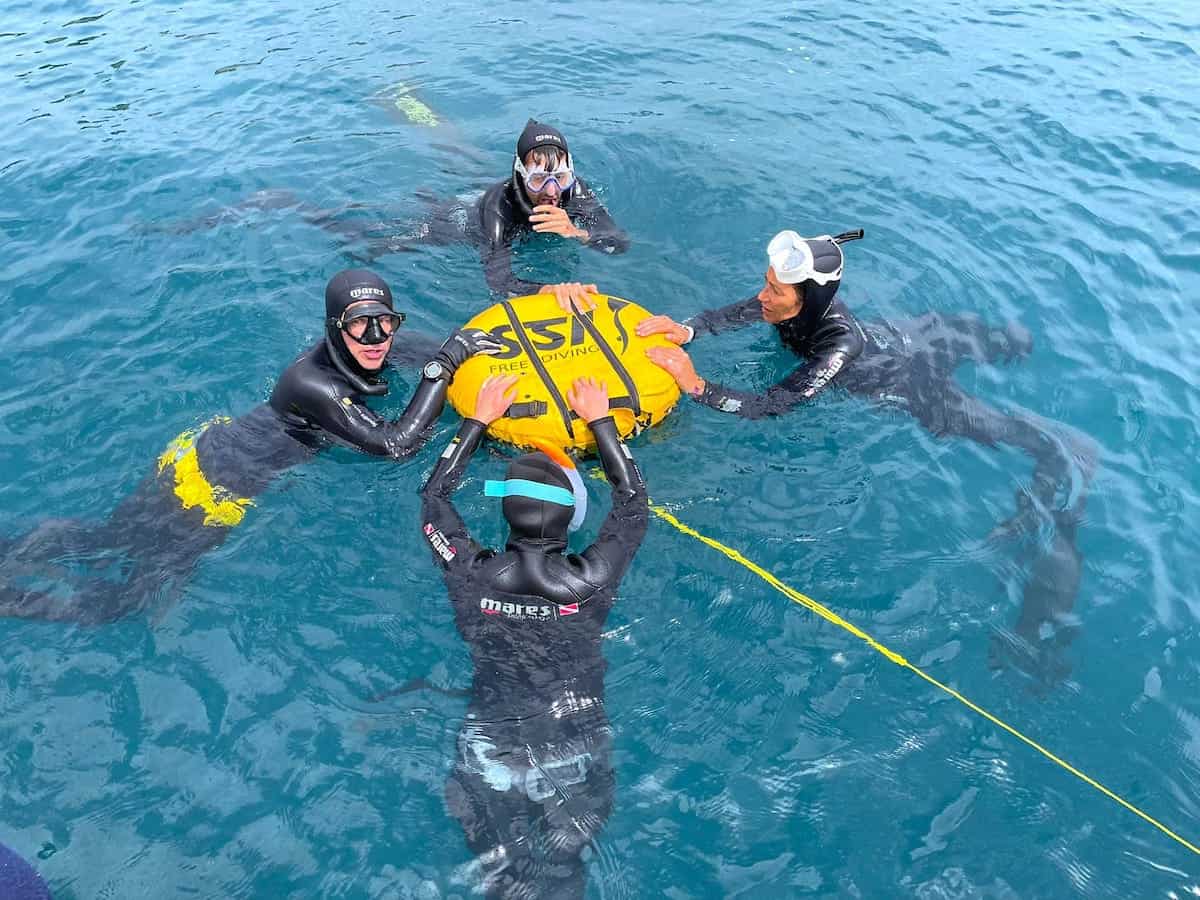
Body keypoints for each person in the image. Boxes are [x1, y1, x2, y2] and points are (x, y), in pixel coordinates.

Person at [638, 229, 1097, 683]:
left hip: (908, 384)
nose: (762, 295)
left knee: (1014, 435)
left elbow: (773, 405)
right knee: (998, 340)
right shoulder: (789, 301)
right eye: (766, 281)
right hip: (906, 334)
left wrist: (696, 386)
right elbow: (752, 308)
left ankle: (1073, 453)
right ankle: (1013, 344)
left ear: (807, 301)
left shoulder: (839, 347)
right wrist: (691, 327)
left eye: (774, 289)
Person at [0, 269, 500, 625]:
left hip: (214, 452)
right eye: (358, 325)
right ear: (333, 328)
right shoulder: (311, 382)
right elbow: (395, 445)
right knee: (125, 597)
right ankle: (11, 600)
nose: (375, 338)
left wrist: (485, 343)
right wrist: (442, 371)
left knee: (109, 540)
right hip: (211, 484)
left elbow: (448, 347)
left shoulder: (368, 348)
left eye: (385, 322)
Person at [419, 374, 648, 899]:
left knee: (504, 880)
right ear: (570, 514)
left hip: (488, 749)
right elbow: (634, 503)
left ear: (506, 508)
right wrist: (600, 419)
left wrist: (474, 421)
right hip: (576, 745)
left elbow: (433, 499)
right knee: (565, 874)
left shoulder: (471, 572)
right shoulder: (590, 580)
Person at [168, 121, 626, 313]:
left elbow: (618, 243)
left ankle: (441, 134)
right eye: (538, 179)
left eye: (559, 178)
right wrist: (553, 288)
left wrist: (577, 234)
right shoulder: (498, 208)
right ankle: (282, 200)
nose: (551, 191)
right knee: (366, 239)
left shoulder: (573, 192)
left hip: (497, 213)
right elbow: (501, 286)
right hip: (451, 224)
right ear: (518, 172)